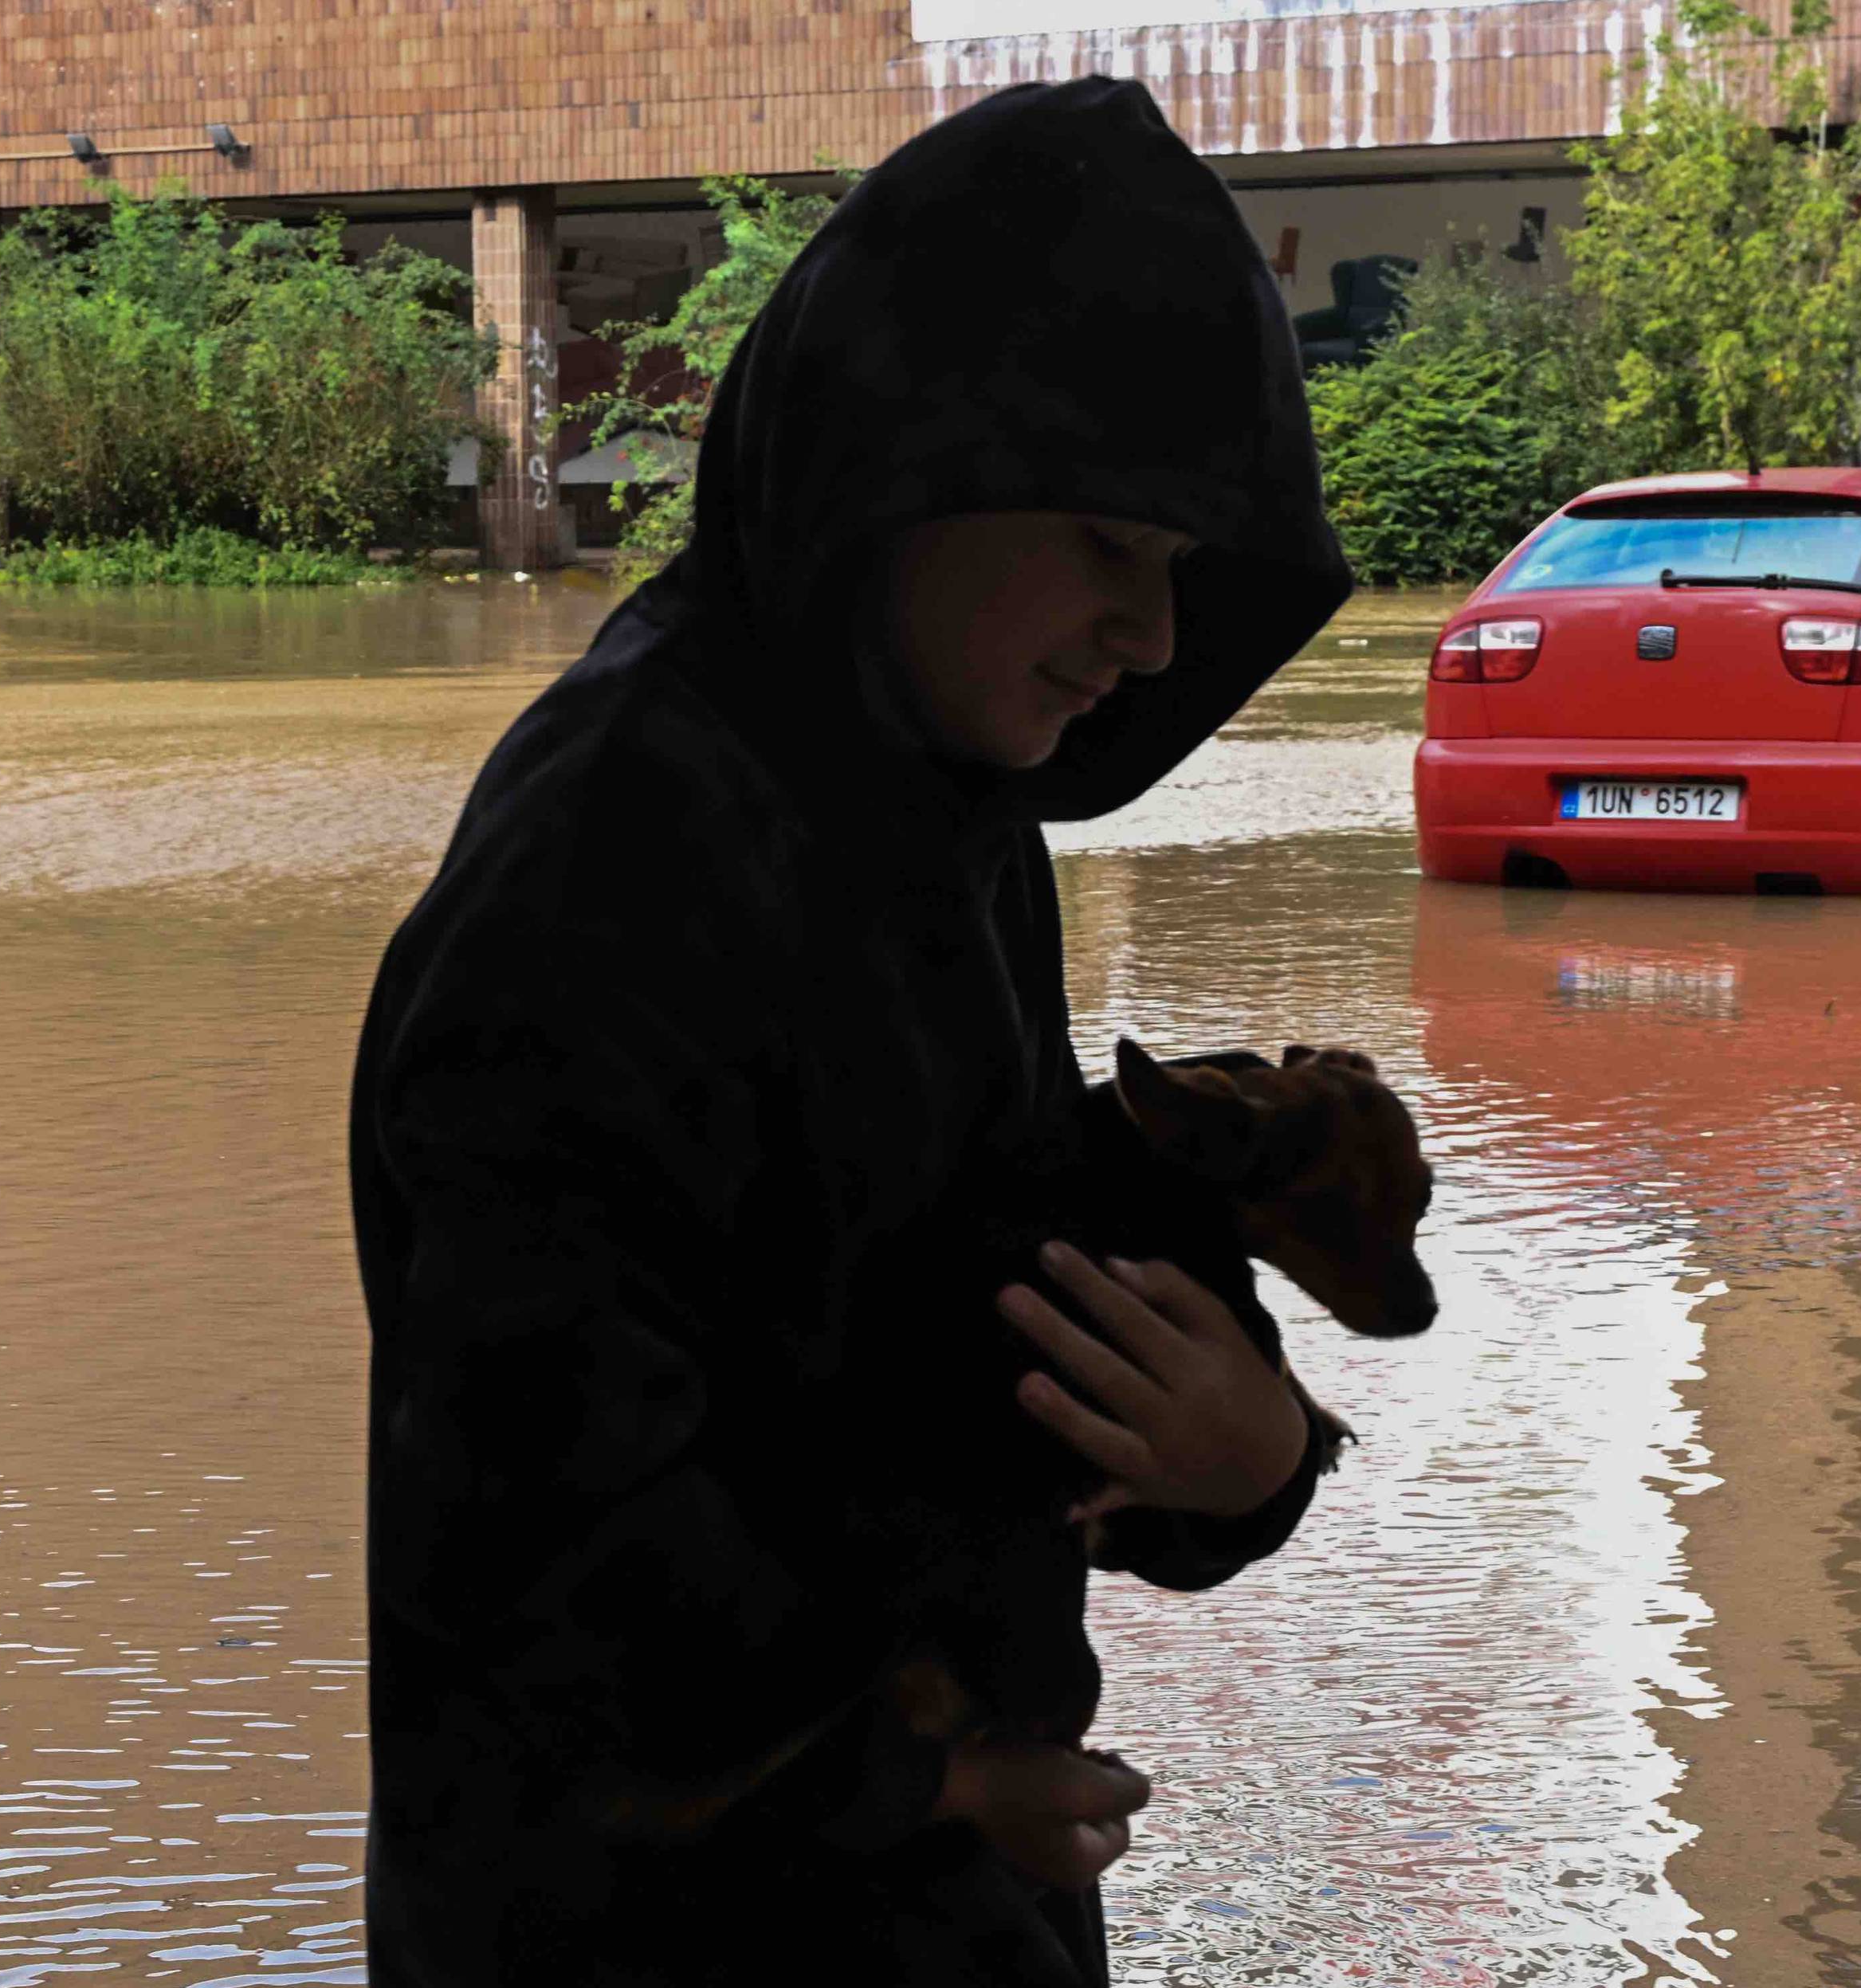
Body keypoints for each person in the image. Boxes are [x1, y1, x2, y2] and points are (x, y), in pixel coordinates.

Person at [347, 77, 1353, 1986]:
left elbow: (988, 1344)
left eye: (1181, 576)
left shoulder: (943, 804)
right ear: (897, 473)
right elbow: (535, 1558)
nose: (1149, 639)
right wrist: (941, 1786)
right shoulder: (613, 870)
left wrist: (1256, 1453)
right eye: (1098, 546)